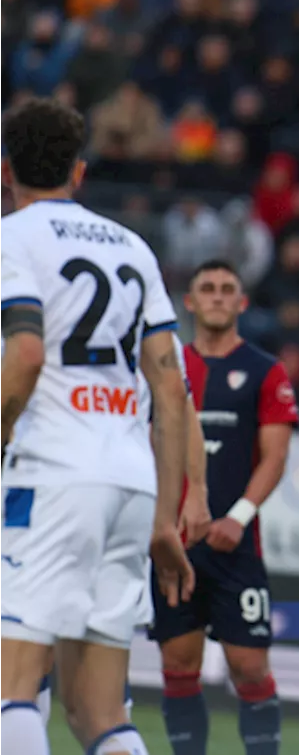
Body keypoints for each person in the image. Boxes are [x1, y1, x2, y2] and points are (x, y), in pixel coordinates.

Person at [0, 97, 194, 755]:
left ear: (6, 172)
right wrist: (166, 517)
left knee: (11, 685)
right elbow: (170, 388)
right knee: (99, 712)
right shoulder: (133, 247)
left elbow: (25, 354)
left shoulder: (13, 238)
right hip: (131, 481)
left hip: (54, 470)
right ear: (78, 172)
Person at [147, 259, 299, 755]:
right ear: (188, 303)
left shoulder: (264, 370)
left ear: (241, 303)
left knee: (250, 667)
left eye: (226, 289)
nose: (216, 296)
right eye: (206, 289)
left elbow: (275, 457)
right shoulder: (166, 369)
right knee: (178, 666)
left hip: (236, 547)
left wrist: (237, 518)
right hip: (175, 546)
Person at [34, 329, 210, 727]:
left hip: (53, 488)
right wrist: (183, 502)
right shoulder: (147, 308)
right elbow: (177, 403)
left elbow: (22, 365)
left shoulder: (42, 294)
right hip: (129, 495)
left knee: (23, 662)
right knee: (105, 693)